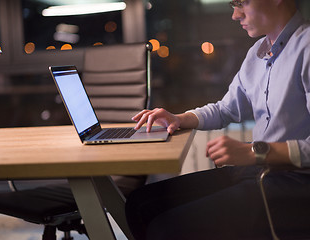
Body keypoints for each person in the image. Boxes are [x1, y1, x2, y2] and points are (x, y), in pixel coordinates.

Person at [125, 0, 310, 239]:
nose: (235, 15)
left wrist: (256, 152)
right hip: (259, 171)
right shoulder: (258, 53)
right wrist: (179, 118)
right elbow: (226, 109)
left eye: (242, 3)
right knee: (139, 205)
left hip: (296, 183)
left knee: (167, 228)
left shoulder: (306, 47)